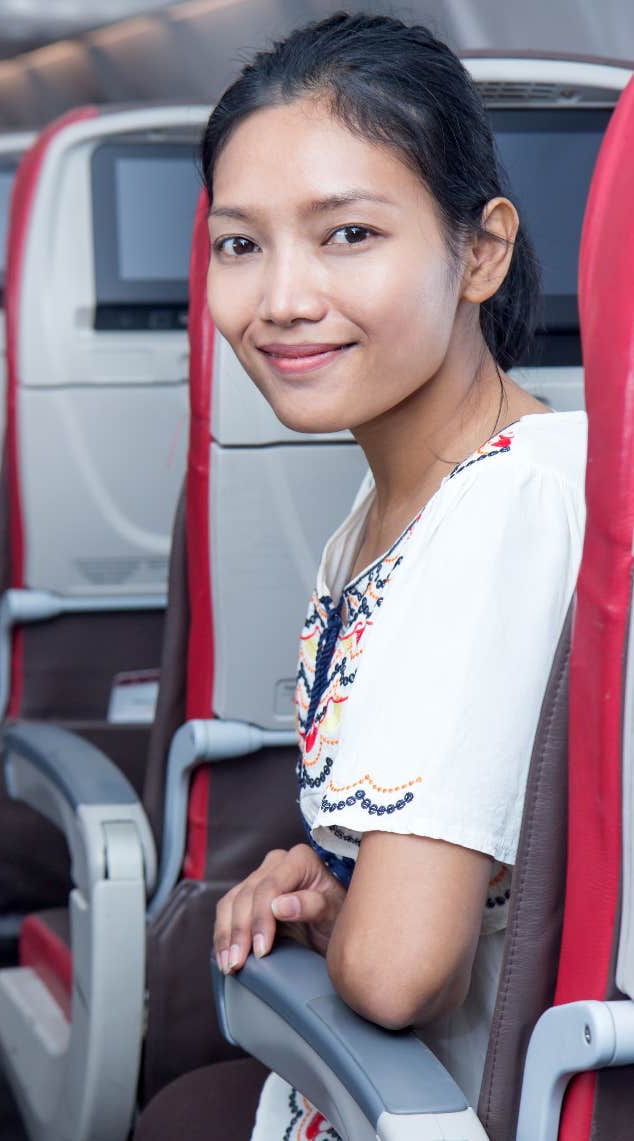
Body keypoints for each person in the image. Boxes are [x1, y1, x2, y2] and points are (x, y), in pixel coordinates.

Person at [136, 11, 586, 1140]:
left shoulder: (504, 504)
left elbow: (397, 977)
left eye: (344, 234)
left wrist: (352, 925)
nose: (279, 298)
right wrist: (350, 890)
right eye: (240, 244)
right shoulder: (397, 503)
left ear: (479, 250)